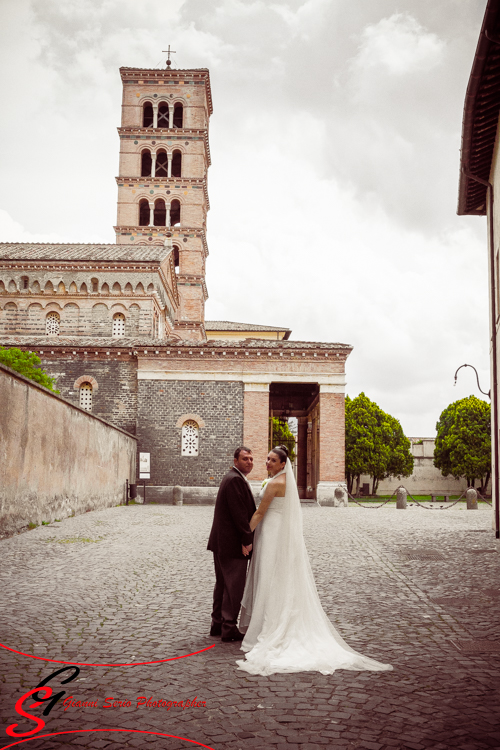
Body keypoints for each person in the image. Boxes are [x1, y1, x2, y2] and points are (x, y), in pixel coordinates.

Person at [237, 445, 393, 675]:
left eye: (272, 460)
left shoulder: (273, 484)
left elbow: (260, 513)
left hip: (270, 534)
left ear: (283, 464)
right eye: (267, 459)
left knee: (269, 576)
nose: (267, 463)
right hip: (282, 535)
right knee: (281, 577)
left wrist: (245, 536)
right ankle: (276, 617)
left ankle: (268, 625)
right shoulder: (287, 483)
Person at [207, 446, 256, 642]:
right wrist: (246, 541)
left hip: (221, 543)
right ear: (235, 461)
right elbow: (239, 515)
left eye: (251, 459)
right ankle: (228, 627)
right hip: (232, 544)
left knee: (222, 584)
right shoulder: (235, 479)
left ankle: (217, 624)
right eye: (245, 459)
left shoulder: (232, 477)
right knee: (233, 587)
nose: (249, 462)